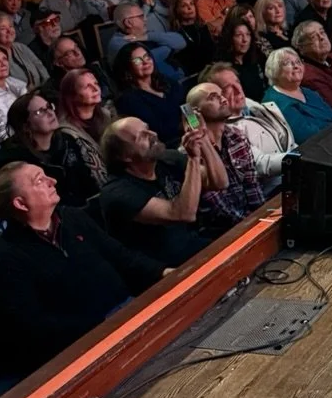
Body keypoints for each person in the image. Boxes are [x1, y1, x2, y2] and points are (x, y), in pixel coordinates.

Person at [0, 163, 166, 374]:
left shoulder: (73, 218)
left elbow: (121, 257)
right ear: (21, 203)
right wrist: (101, 326)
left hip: (128, 313)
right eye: (40, 180)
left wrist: (162, 272)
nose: (53, 181)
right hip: (87, 346)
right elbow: (35, 328)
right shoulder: (7, 259)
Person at [98, 117, 223, 267]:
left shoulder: (167, 159)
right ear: (125, 156)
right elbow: (183, 213)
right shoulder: (117, 192)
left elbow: (220, 182)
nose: (152, 134)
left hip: (195, 246)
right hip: (166, 270)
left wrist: (203, 140)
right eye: (142, 136)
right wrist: (194, 158)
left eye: (148, 128)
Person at [183, 82, 268, 229]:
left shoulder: (236, 136)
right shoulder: (190, 153)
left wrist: (264, 218)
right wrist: (251, 225)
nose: (223, 99)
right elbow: (218, 207)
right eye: (213, 97)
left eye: (221, 95)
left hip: (255, 221)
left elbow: (252, 185)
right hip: (222, 231)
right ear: (196, 112)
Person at [199, 63, 295, 191]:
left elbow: (288, 141)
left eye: (237, 82)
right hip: (277, 190)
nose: (238, 89)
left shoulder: (252, 106)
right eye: (227, 88)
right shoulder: (227, 133)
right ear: (217, 98)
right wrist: (302, 158)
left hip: (297, 172)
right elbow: (262, 166)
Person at [112, 42, 187, 148]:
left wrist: (194, 125)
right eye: (138, 60)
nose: (145, 62)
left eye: (147, 57)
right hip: (165, 147)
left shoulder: (168, 82)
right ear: (127, 68)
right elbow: (158, 130)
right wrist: (184, 126)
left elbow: (187, 107)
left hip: (188, 135)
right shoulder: (128, 99)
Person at [262, 47, 332, 142]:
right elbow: (307, 135)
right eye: (287, 63)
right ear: (274, 70)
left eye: (298, 62)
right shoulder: (276, 102)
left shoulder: (309, 92)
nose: (296, 66)